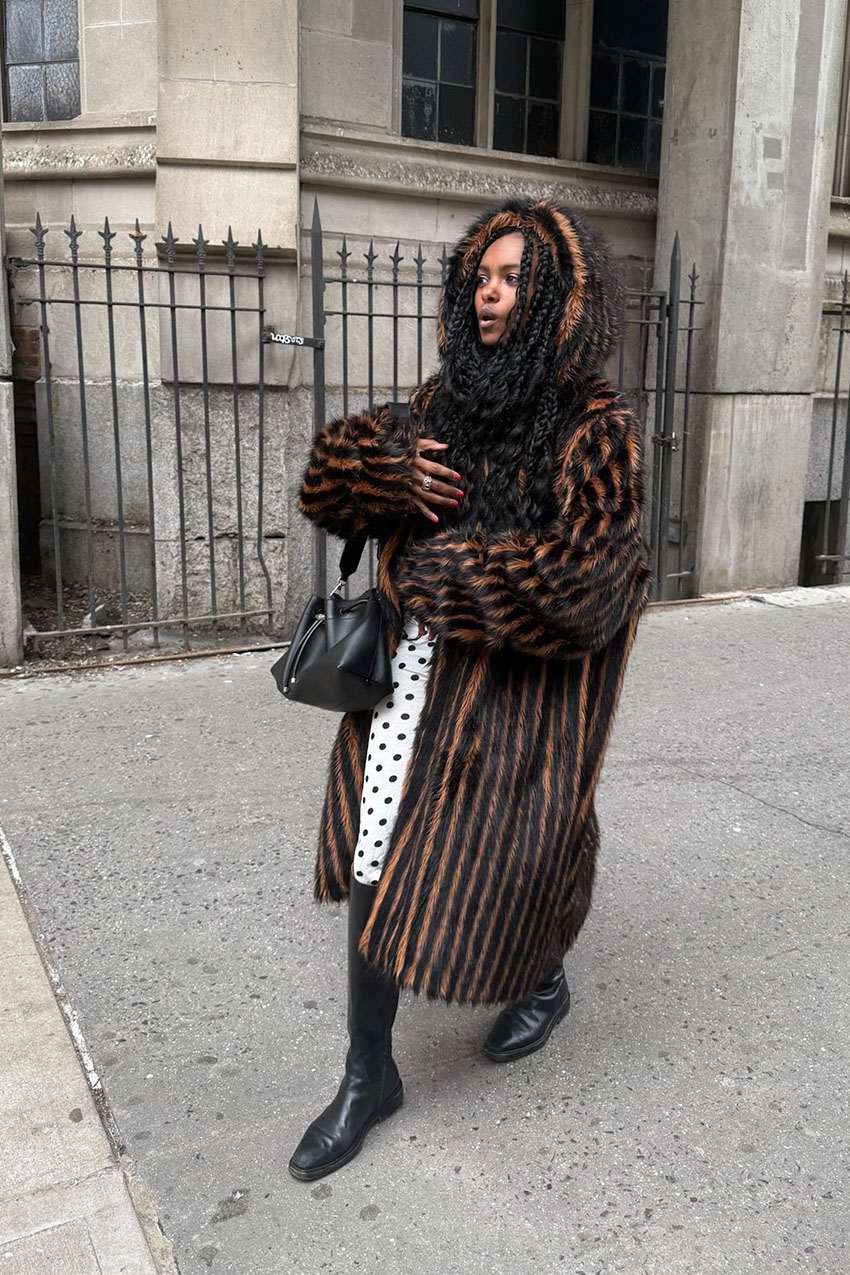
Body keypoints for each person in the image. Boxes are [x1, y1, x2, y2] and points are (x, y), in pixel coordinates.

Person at [289, 198, 650, 1182]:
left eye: (509, 280)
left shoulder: (595, 426)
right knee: (378, 852)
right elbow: (325, 492)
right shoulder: (441, 399)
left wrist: (462, 578)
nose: (487, 294)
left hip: (516, 701)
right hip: (406, 683)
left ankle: (541, 979)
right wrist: (382, 467)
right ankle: (370, 1074)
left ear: (555, 300)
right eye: (479, 277)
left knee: (514, 859)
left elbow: (597, 582)